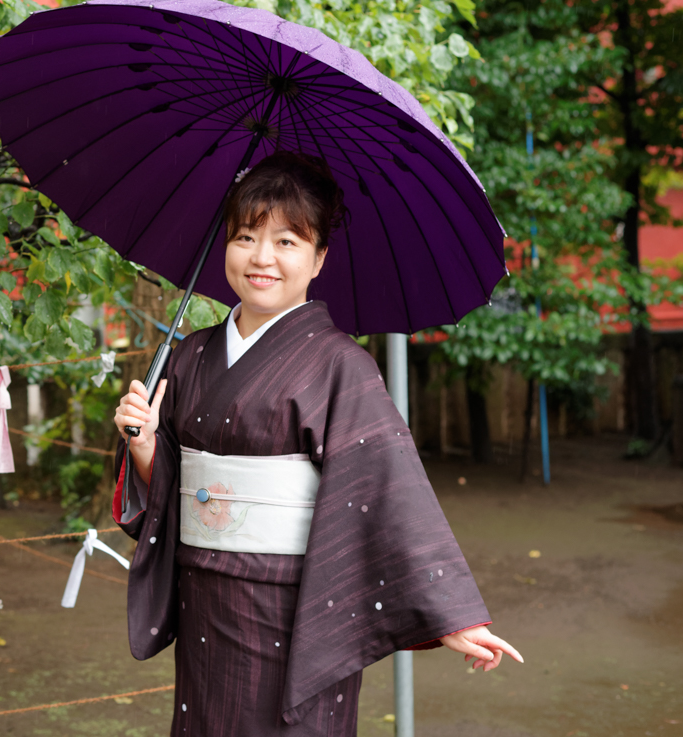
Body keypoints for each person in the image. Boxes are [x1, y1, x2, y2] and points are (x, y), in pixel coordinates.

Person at [111, 151, 522, 736]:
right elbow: (173, 495)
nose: (261, 258)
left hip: (294, 611)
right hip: (203, 596)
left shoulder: (340, 365)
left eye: (286, 242)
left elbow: (386, 492)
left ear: (318, 258)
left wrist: (449, 615)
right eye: (246, 236)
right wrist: (147, 447)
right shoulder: (191, 355)